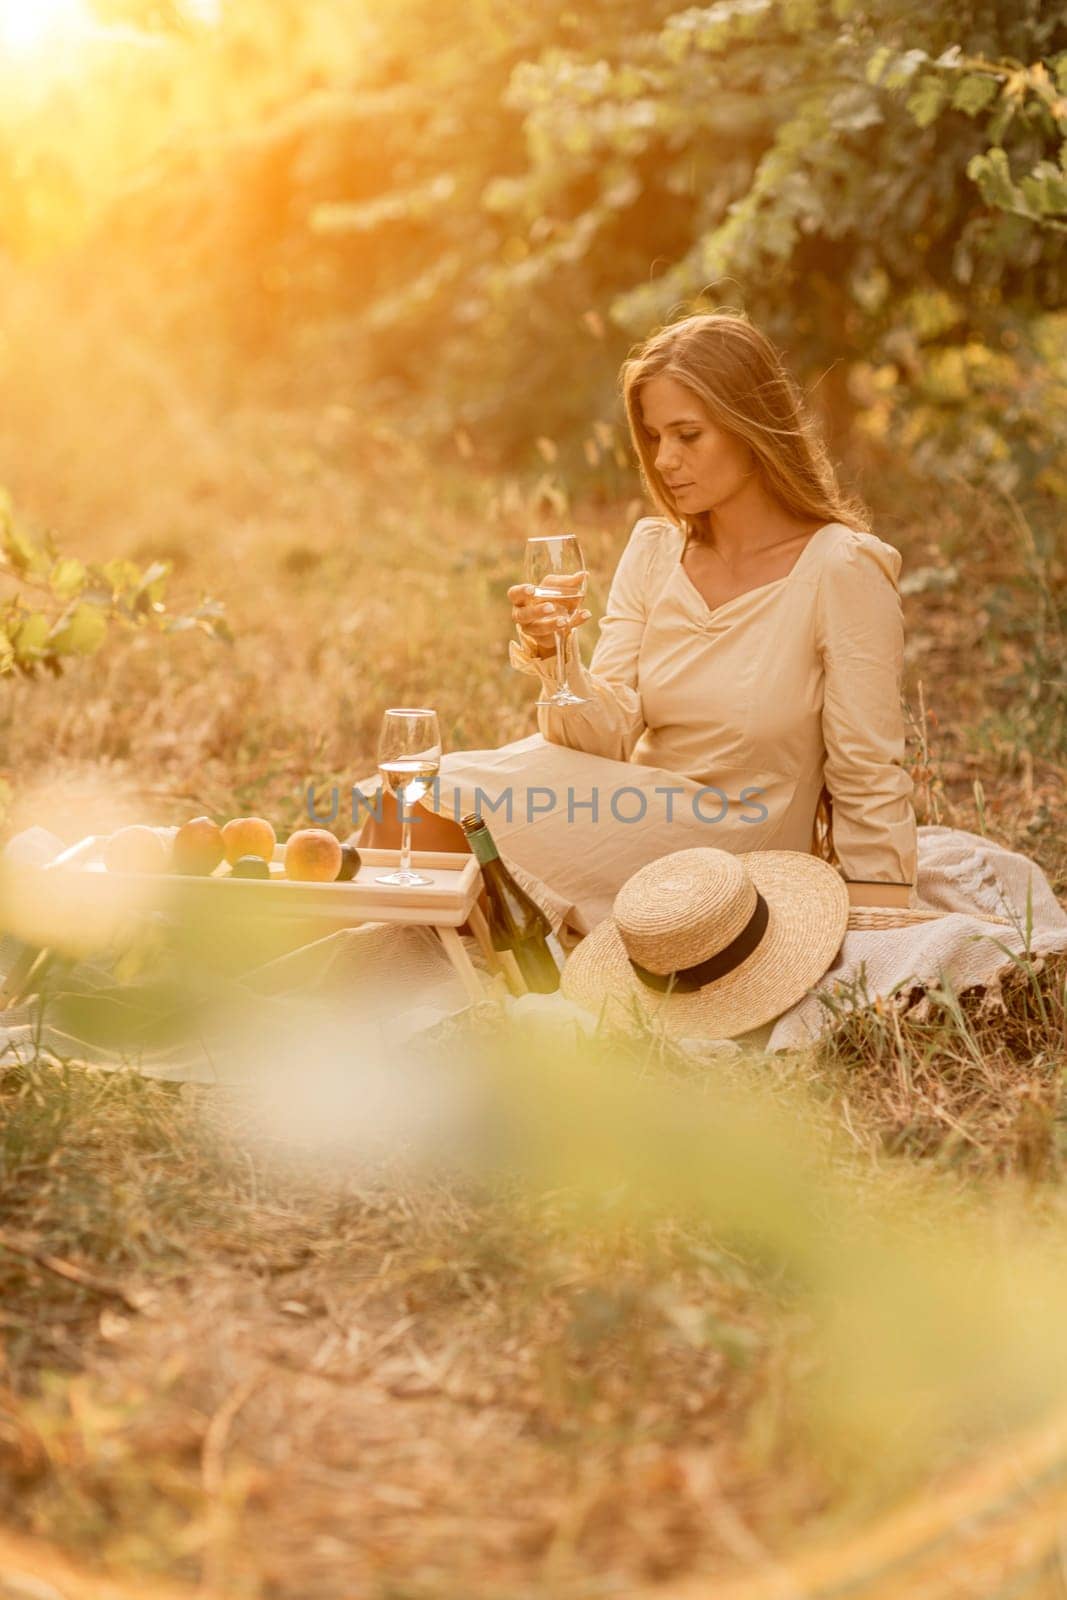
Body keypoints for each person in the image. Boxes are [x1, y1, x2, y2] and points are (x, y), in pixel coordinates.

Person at [357, 310, 918, 937]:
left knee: (448, 797)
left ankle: (458, 962)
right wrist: (557, 657)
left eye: (688, 435)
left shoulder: (842, 565)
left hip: (738, 842)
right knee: (414, 793)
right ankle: (443, 963)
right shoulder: (655, 550)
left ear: (751, 428)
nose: (666, 460)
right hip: (640, 804)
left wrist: (881, 925)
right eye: (653, 437)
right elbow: (604, 738)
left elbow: (867, 770)